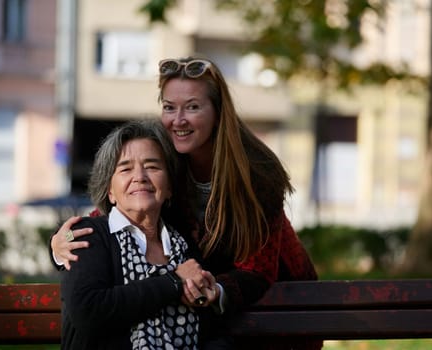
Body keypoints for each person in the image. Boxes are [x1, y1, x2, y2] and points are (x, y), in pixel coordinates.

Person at [53, 57, 322, 349]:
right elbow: (117, 212)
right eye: (169, 107)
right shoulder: (166, 156)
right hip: (206, 309)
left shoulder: (255, 172)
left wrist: (215, 290)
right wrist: (60, 242)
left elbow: (258, 271)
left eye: (192, 107)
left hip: (279, 306)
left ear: (218, 112)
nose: (178, 120)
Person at [61, 120, 218, 350]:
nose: (140, 176)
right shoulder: (89, 235)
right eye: (125, 168)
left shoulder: (185, 246)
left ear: (170, 187)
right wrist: (173, 282)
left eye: (152, 166)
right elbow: (89, 311)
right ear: (110, 191)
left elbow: (212, 330)